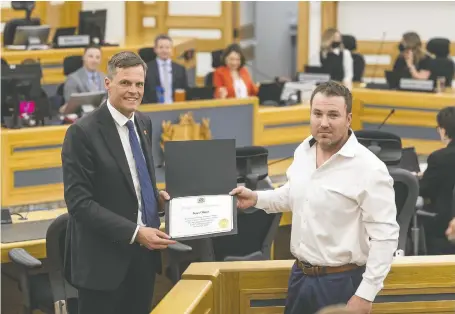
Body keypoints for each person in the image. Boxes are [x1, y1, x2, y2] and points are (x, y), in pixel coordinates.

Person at [230, 81, 399, 314]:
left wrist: (365, 294)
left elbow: (386, 237)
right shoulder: (304, 150)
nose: (324, 123)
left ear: (349, 119)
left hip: (341, 282)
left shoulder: (369, 168)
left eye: (333, 115)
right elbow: (296, 194)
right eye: (317, 114)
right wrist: (257, 198)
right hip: (300, 276)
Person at [62, 51, 176, 314]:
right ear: (108, 83)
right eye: (125, 83)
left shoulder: (144, 122)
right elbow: (79, 204)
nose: (133, 91)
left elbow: (137, 180)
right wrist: (135, 233)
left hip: (143, 261)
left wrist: (155, 199)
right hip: (103, 265)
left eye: (139, 84)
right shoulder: (82, 133)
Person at [419, 106, 455, 254]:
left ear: (444, 130)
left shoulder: (438, 158)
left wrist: (420, 178)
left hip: (442, 226)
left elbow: (425, 189)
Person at [142, 34, 188, 104]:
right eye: (161, 47)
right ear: (155, 49)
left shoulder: (180, 69)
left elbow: (186, 91)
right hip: (154, 108)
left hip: (175, 107)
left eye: (167, 47)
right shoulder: (146, 69)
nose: (164, 50)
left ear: (172, 49)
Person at [62, 44, 106, 112]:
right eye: (91, 56)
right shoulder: (73, 79)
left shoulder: (106, 78)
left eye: (97, 57)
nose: (94, 60)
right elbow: (70, 104)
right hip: (83, 118)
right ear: (84, 58)